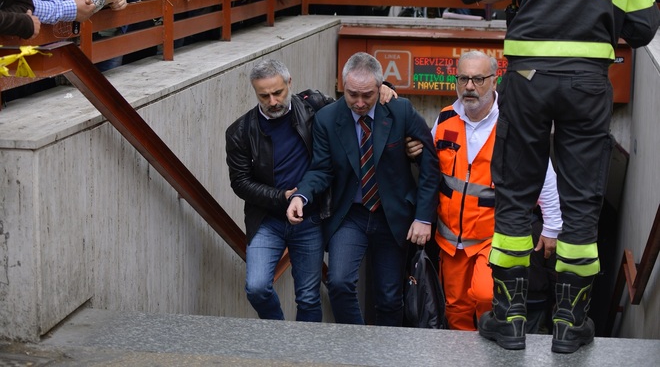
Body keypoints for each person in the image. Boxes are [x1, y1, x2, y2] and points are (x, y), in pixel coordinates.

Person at [456, 0, 660, 354]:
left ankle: (509, 320)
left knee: (514, 196)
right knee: (582, 201)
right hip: (587, 83)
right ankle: (570, 324)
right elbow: (643, 27)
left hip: (527, 79)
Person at [226, 59, 397, 322]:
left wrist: (384, 86)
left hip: (310, 218)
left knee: (308, 296)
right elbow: (240, 182)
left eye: (278, 92)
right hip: (267, 220)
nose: (272, 101)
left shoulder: (315, 106)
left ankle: (309, 355)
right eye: (264, 95)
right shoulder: (240, 131)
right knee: (257, 287)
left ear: (289, 83)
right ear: (254, 91)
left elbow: (355, 102)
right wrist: (281, 197)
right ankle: (282, 342)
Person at [408, 51, 562, 332]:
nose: (469, 86)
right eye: (464, 78)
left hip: (494, 236)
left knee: (484, 295)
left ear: (494, 81)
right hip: (451, 242)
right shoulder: (444, 121)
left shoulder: (514, 125)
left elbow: (543, 176)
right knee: (456, 309)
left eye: (478, 79)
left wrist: (552, 226)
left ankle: (491, 351)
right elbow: (431, 175)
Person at [286, 52, 440, 327]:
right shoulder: (327, 119)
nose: (359, 102)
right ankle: (357, 346)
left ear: (380, 87)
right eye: (352, 94)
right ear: (343, 86)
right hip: (351, 214)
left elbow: (430, 163)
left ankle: (385, 355)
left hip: (392, 216)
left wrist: (423, 217)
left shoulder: (400, 110)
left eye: (367, 95)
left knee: (390, 298)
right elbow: (322, 169)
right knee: (339, 282)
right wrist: (301, 194)